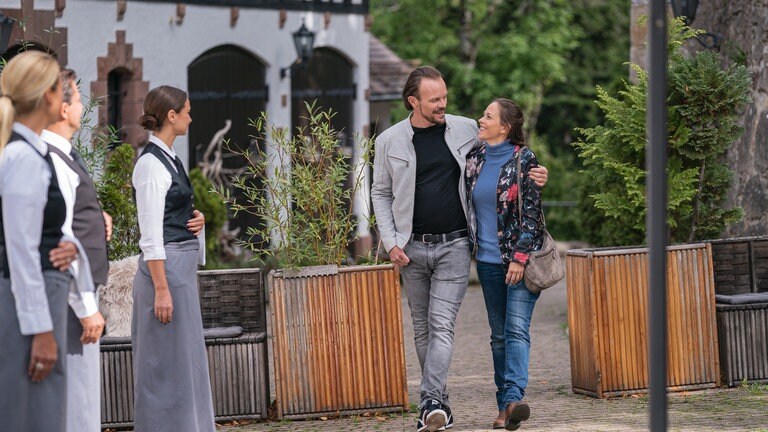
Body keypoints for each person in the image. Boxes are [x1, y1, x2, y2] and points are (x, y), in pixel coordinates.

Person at [371, 66, 548, 432]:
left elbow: (508, 149)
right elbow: (380, 193)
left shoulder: (465, 128)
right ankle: (440, 403)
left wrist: (537, 173)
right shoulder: (389, 140)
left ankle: (431, 402)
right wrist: (390, 243)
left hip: (454, 245)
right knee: (422, 330)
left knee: (441, 326)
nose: (443, 105)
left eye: (444, 97)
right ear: (413, 101)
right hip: (410, 249)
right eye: (435, 99)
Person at [0, 51, 98, 432]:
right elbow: (20, 251)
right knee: (28, 413)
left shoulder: (27, 152)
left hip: (41, 297)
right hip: (29, 306)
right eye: (63, 87)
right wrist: (41, 330)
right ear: (48, 96)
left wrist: (65, 243)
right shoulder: (23, 158)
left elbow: (31, 235)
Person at [131, 85, 213, 432]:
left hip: (180, 273)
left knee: (185, 361)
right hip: (165, 277)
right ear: (172, 115)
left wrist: (197, 221)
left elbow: (170, 216)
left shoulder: (171, 158)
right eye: (188, 112)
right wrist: (161, 290)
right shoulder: (150, 165)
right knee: (164, 365)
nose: (192, 118)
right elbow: (151, 235)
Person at [465, 98, 544, 431]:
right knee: (498, 336)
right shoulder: (474, 159)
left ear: (505, 127)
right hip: (486, 262)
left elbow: (532, 216)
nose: (481, 119)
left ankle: (513, 399)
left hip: (520, 262)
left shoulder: (525, 159)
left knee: (515, 330)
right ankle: (505, 407)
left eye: (488, 116)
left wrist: (520, 258)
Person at [43, 68, 109, 432]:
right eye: (79, 100)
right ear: (62, 108)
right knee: (77, 401)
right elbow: (60, 235)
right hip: (70, 299)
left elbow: (72, 214)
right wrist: (86, 307)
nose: (83, 107)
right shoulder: (52, 159)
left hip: (77, 294)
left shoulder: (63, 154)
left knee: (82, 398)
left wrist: (100, 218)